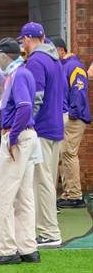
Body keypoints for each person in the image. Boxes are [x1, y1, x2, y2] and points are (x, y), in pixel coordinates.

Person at [0, 38, 40, 265]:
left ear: (5, 56)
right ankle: (28, 248)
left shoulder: (19, 75)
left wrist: (12, 138)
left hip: (17, 137)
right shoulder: (19, 73)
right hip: (27, 136)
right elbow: (9, 89)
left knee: (3, 197)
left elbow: (24, 107)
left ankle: (6, 250)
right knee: (24, 196)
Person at [20, 22, 64, 247]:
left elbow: (34, 98)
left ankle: (49, 232)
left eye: (23, 42)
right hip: (55, 126)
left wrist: (27, 124)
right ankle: (47, 230)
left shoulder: (36, 61)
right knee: (47, 180)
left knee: (43, 181)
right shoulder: (55, 59)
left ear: (27, 39)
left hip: (42, 129)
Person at [51, 37, 91, 208]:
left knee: (68, 154)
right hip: (70, 115)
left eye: (52, 51)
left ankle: (74, 195)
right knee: (64, 155)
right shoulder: (65, 65)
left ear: (61, 50)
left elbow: (79, 90)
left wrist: (73, 113)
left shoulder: (73, 66)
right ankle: (70, 193)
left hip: (74, 116)